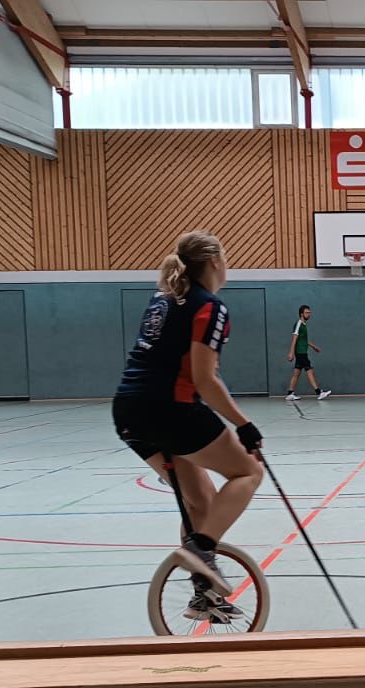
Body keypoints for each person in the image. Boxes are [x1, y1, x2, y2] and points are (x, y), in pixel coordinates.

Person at [112, 231, 264, 623]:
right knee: (247, 471)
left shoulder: (162, 299)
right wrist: (244, 425)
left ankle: (203, 596)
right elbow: (204, 379)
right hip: (170, 409)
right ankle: (201, 551)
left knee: (200, 499)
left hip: (129, 411)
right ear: (215, 261)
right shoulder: (209, 307)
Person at [285, 305, 332, 401]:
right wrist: (291, 352)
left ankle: (290, 393)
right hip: (300, 352)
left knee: (296, 373)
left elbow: (303, 340)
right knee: (309, 370)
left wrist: (313, 346)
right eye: (307, 313)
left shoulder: (304, 325)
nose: (309, 314)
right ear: (301, 314)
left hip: (302, 351)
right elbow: (295, 338)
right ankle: (319, 392)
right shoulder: (298, 324)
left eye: (310, 313)